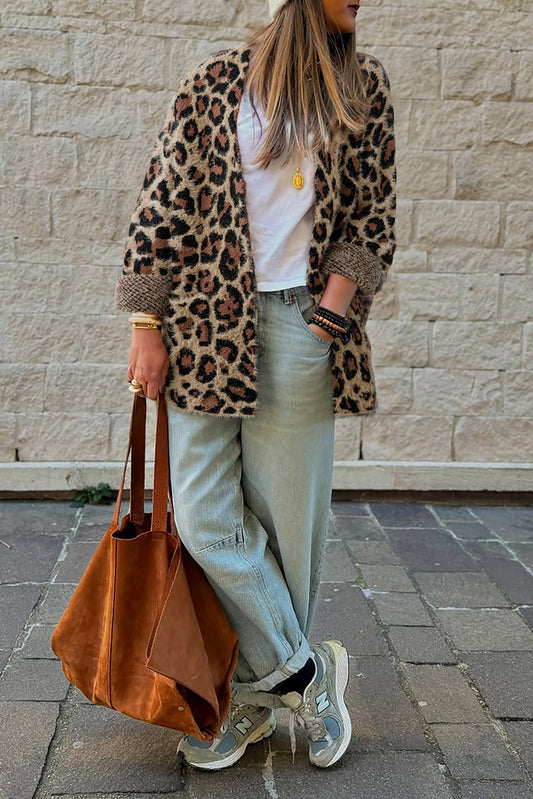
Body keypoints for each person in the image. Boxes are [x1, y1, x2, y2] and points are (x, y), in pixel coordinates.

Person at [115, 0, 396, 771]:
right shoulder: (214, 84)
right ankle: (307, 673)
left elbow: (371, 216)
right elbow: (162, 202)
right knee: (205, 519)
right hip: (205, 326)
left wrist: (331, 316)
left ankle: (247, 695)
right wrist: (146, 324)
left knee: (287, 527)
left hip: (302, 329)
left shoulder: (361, 86)